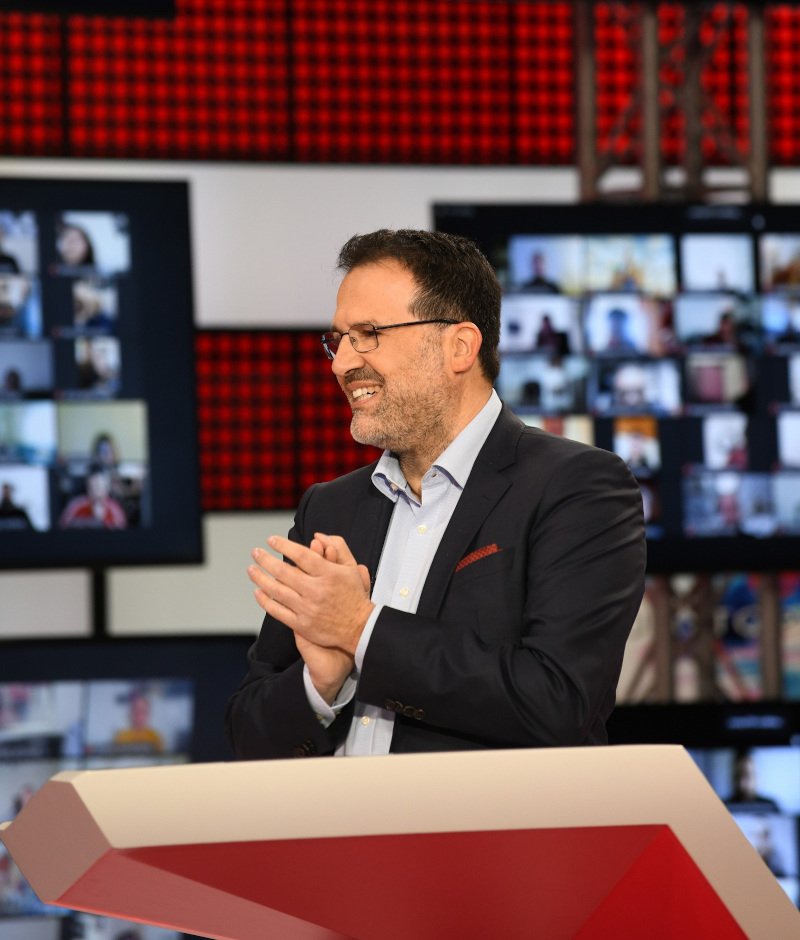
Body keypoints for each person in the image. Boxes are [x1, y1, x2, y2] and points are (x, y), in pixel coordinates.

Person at [226, 229, 646, 759]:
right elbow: (248, 734)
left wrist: (360, 630)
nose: (340, 363)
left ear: (459, 347)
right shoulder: (330, 507)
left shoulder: (578, 487)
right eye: (339, 339)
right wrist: (321, 685)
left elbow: (555, 701)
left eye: (368, 334)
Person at [58, 463, 127, 529]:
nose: (95, 490)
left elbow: (121, 529)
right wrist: (89, 521)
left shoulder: (114, 509)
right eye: (92, 486)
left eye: (98, 486)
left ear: (106, 487)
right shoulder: (76, 506)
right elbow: (63, 526)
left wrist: (102, 521)